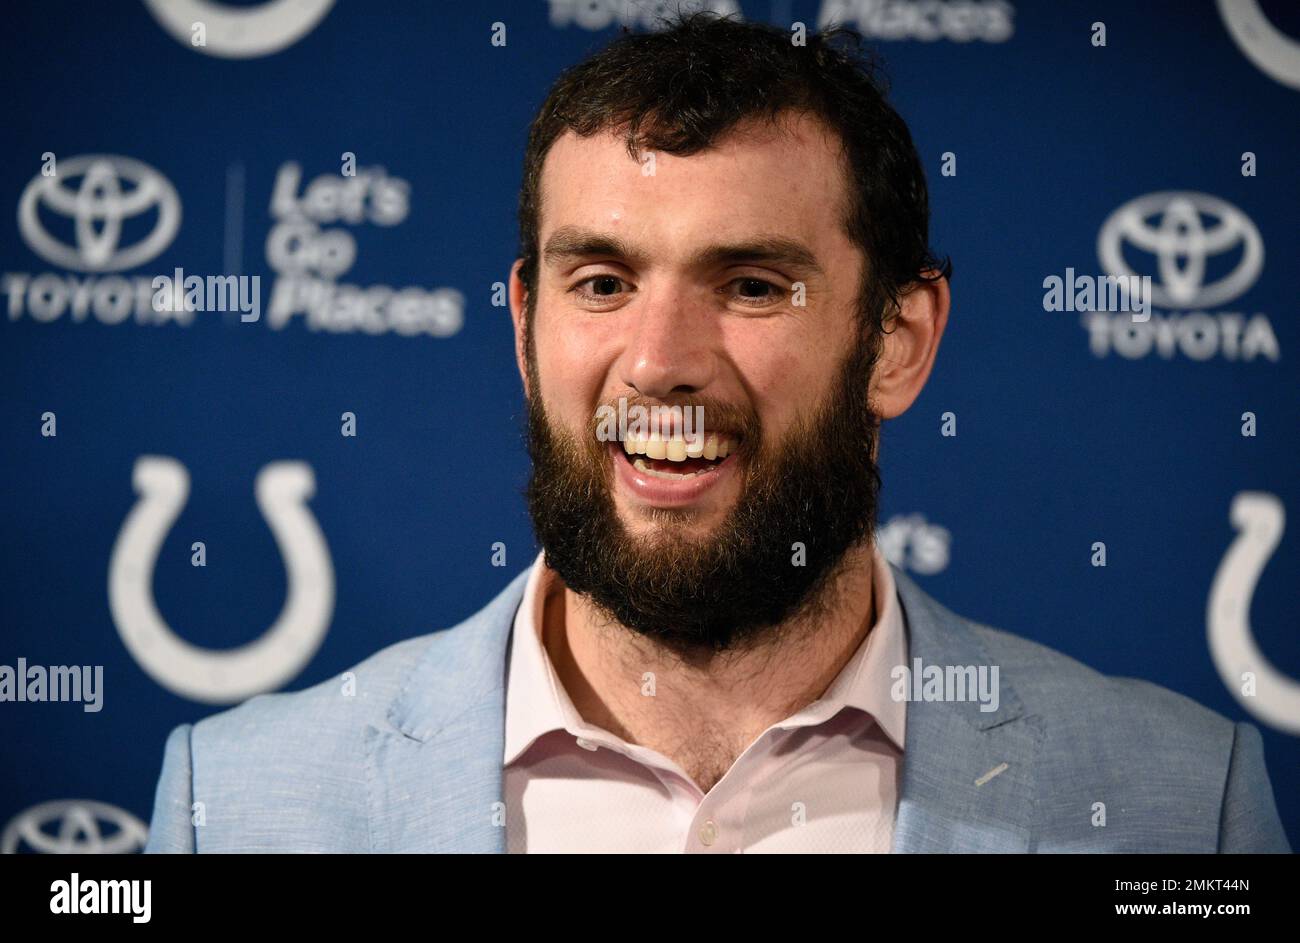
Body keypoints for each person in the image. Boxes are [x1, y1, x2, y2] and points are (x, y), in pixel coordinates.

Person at [144, 13, 1290, 853]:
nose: (657, 361)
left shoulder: (1181, 805)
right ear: (526, 323)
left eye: (749, 285)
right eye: (599, 281)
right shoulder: (237, 804)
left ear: (897, 340)